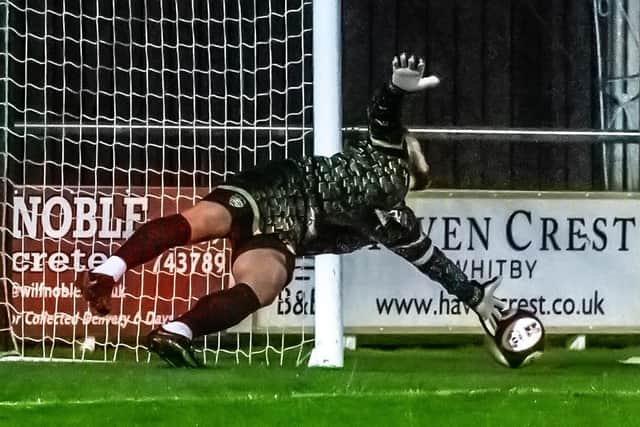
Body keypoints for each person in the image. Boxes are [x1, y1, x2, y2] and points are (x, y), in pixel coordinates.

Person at [77, 53, 505, 368]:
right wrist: (395, 88)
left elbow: (434, 263)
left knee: (260, 283)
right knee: (205, 225)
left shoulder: (398, 222)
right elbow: (383, 116)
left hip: (285, 232)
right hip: (278, 188)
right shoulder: (385, 158)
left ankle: (176, 330)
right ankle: (111, 272)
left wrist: (477, 298)